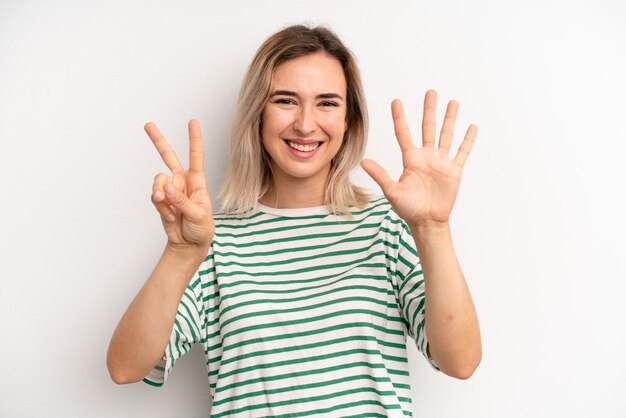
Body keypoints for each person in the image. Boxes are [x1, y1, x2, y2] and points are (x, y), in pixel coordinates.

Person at [107, 24, 481, 417]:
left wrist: (433, 228)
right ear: (258, 114)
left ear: (349, 119)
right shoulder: (211, 242)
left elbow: (460, 362)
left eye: (327, 103)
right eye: (286, 100)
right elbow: (125, 367)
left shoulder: (385, 228)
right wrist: (181, 252)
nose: (305, 124)